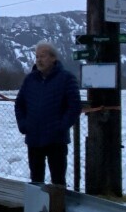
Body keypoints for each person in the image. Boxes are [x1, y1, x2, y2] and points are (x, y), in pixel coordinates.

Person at [14, 41, 81, 186]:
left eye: (42, 56)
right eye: (37, 56)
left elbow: (74, 107)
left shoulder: (66, 78)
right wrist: (23, 124)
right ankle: (38, 209)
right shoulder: (30, 79)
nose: (38, 60)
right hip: (34, 139)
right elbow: (19, 104)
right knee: (36, 181)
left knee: (58, 181)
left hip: (56, 141)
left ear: (53, 58)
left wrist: (60, 127)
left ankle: (58, 208)